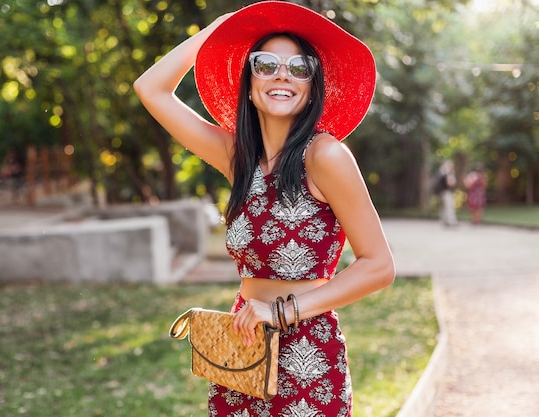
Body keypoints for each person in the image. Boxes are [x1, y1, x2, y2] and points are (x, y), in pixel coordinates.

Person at [134, 2, 395, 416]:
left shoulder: (325, 156)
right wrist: (218, 29)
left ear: (312, 86)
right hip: (244, 350)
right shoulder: (238, 156)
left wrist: (280, 312)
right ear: (249, 80)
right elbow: (150, 88)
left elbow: (379, 266)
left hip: (308, 356)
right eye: (266, 64)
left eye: (299, 68)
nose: (282, 75)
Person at [435, 160, 458, 227]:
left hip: (442, 192)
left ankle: (445, 221)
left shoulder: (440, 172)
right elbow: (450, 183)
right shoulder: (446, 172)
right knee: (449, 206)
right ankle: (451, 221)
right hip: (446, 191)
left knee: (444, 207)